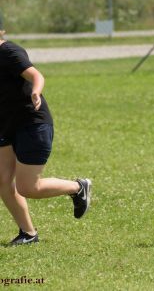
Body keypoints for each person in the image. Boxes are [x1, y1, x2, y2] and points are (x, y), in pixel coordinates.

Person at [0, 30, 92, 245]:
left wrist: (36, 91)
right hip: (5, 126)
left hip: (32, 123)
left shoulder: (9, 52)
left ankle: (78, 187)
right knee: (2, 181)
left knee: (27, 187)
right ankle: (28, 234)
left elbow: (36, 75)